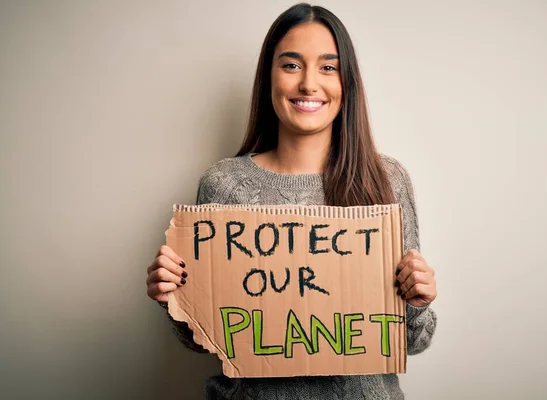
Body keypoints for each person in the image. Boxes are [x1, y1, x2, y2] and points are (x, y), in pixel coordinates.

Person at [146, 3, 437, 399]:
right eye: (291, 65)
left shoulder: (386, 180)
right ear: (269, 77)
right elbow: (205, 342)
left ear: (346, 83)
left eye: (328, 67)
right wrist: (175, 297)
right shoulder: (223, 186)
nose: (309, 85)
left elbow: (410, 341)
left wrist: (416, 300)